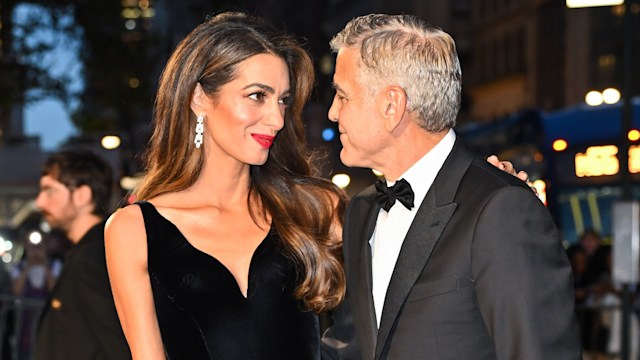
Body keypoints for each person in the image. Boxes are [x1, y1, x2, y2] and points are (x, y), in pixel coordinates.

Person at [321, 14, 581, 359]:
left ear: (391, 105)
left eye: (342, 95)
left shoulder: (500, 208)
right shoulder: (362, 210)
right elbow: (349, 347)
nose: (332, 112)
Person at [104, 12, 347, 360]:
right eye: (256, 96)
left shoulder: (316, 208)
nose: (277, 119)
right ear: (199, 97)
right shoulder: (134, 230)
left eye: (283, 99)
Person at [33, 149, 131, 360]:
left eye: (49, 190)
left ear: (82, 195)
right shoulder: (94, 251)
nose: (40, 202)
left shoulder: (93, 259)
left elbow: (120, 346)